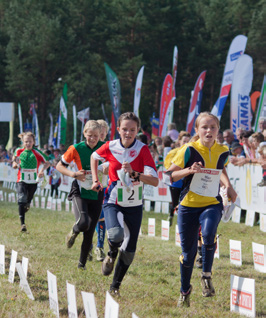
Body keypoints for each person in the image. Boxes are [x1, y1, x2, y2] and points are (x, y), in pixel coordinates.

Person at [166, 112, 237, 307]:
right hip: (188, 206)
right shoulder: (188, 150)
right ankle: (184, 290)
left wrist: (228, 186)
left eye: (213, 127)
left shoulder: (223, 150)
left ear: (218, 130)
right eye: (204, 127)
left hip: (211, 202)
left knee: (208, 232)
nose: (209, 130)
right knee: (188, 255)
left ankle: (206, 275)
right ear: (196, 130)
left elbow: (220, 168)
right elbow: (170, 176)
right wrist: (189, 170)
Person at [91, 112, 159, 296]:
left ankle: (115, 287)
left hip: (134, 204)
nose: (128, 133)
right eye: (124, 129)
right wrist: (96, 180)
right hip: (113, 200)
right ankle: (112, 253)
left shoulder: (143, 149)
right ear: (118, 129)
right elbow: (94, 157)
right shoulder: (110, 146)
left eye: (132, 130)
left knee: (129, 250)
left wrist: (135, 174)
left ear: (137, 131)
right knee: (115, 235)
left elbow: (154, 181)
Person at [56, 120, 105, 270]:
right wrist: (74, 174)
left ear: (100, 136)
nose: (92, 138)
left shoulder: (104, 148)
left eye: (96, 136)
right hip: (80, 191)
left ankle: (81, 266)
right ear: (84, 133)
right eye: (90, 135)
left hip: (97, 192)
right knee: (84, 222)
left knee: (90, 233)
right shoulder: (76, 148)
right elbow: (59, 165)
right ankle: (74, 231)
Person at [12, 132, 50, 232]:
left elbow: (47, 162)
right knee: (21, 199)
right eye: (26, 142)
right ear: (22, 142)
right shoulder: (19, 150)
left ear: (33, 142)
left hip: (33, 181)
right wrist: (15, 164)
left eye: (30, 141)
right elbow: (14, 159)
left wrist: (41, 171)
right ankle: (23, 224)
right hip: (21, 180)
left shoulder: (37, 152)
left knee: (27, 201)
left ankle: (28, 203)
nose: (28, 143)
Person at [94, 119, 110, 262]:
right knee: (92, 219)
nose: (102, 137)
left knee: (101, 217)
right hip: (90, 186)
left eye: (104, 134)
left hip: (104, 187)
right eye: (100, 134)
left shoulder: (109, 147)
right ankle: (89, 244)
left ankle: (99, 246)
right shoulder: (90, 146)